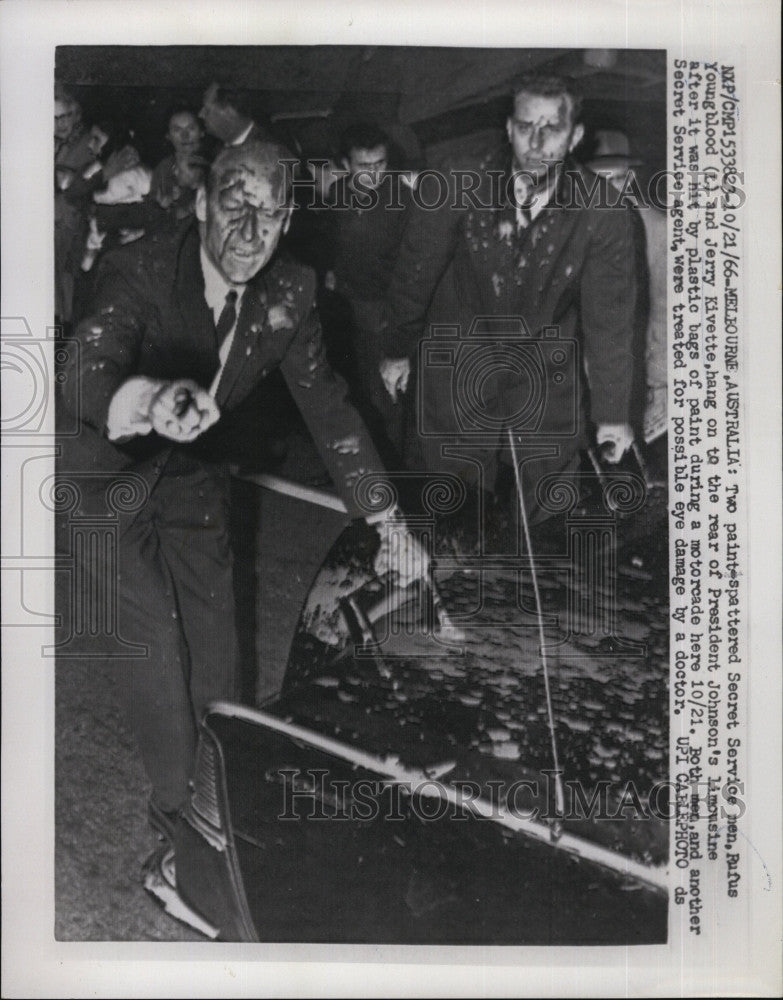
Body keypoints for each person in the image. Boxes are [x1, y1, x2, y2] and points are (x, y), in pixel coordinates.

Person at [60, 138, 426, 839]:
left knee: (220, 652)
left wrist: (387, 524)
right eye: (233, 209)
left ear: (288, 221)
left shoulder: (291, 290)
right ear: (201, 204)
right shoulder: (136, 267)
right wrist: (150, 397)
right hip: (104, 472)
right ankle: (179, 821)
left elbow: (329, 409)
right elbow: (82, 371)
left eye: (268, 216)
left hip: (194, 472)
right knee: (156, 652)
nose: (248, 236)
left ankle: (216, 794)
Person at [378, 74, 638, 524]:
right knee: (450, 497)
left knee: (551, 496)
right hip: (459, 353)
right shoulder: (455, 183)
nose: (535, 143)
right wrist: (397, 349)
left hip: (545, 363)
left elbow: (609, 320)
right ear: (507, 128)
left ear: (575, 136)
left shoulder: (605, 214)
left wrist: (612, 413)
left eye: (550, 129)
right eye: (524, 127)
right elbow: (414, 276)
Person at [321, 122, 414, 464]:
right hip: (345, 306)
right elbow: (332, 242)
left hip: (382, 312)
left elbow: (410, 269)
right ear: (346, 165)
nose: (375, 174)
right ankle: (361, 463)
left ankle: (394, 472)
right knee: (349, 389)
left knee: (386, 399)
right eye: (365, 166)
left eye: (380, 164)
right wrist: (333, 272)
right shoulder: (339, 193)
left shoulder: (402, 201)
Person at [149, 107, 209, 222]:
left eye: (191, 128)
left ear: (202, 132)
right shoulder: (163, 168)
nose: (185, 135)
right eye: (177, 130)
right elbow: (152, 209)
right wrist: (161, 207)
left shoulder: (214, 165)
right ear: (168, 136)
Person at [198, 82, 269, 147]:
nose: (200, 115)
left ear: (229, 111)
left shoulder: (266, 147)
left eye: (207, 110)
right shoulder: (217, 148)